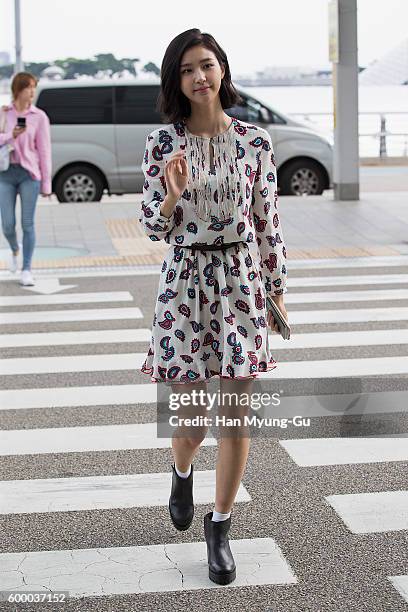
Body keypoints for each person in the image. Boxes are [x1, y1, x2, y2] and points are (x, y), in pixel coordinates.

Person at [139, 28, 288, 585]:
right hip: (184, 283)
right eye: (186, 69)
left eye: (206, 65)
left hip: (241, 283)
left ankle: (220, 526)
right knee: (194, 422)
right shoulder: (161, 144)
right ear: (176, 81)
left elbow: (268, 223)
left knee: (235, 415)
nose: (199, 77)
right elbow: (153, 225)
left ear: (222, 69)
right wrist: (173, 193)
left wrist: (276, 291)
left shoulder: (256, 142)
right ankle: (182, 468)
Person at [0, 72, 52, 286]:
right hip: (5, 172)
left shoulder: (39, 116)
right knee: (8, 225)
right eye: (28, 87)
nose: (31, 91)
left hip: (29, 174)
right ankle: (14, 249)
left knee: (27, 223)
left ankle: (27, 269)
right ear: (17, 89)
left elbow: (44, 151)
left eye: (33, 87)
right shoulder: (4, 113)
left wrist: (46, 183)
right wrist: (12, 134)